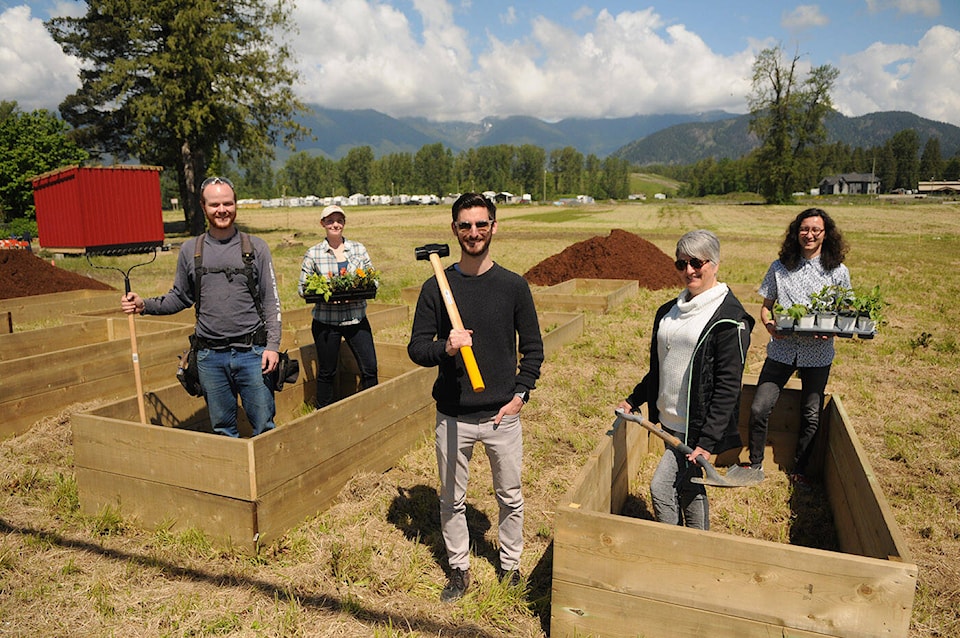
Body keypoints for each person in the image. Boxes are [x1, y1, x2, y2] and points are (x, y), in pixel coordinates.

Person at [408, 192, 544, 603]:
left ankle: (510, 565)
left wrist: (521, 393)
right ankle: (459, 569)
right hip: (453, 415)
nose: (473, 232)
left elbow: (533, 348)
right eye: (465, 225)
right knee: (451, 499)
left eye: (481, 224)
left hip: (503, 414)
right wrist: (446, 347)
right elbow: (417, 348)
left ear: (494, 227)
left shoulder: (513, 286)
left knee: (511, 497)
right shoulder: (436, 287)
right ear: (454, 229)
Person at [121, 176, 282, 437]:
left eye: (228, 203)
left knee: (265, 426)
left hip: (253, 354)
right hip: (210, 357)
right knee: (222, 429)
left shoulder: (256, 248)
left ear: (235, 204)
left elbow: (271, 300)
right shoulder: (190, 250)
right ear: (203, 206)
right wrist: (144, 305)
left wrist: (272, 347)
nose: (222, 210)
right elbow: (180, 297)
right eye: (214, 204)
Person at [617, 229, 753, 530]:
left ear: (714, 264)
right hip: (670, 421)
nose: (689, 270)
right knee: (690, 485)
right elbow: (662, 368)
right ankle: (697, 544)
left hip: (697, 427)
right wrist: (634, 399)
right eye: (681, 264)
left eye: (696, 262)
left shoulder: (729, 318)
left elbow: (729, 385)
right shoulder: (669, 312)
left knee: (661, 488)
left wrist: (706, 441)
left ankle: (674, 544)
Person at [744, 207, 850, 486]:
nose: (809, 235)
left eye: (816, 230)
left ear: (826, 234)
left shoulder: (838, 271)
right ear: (796, 232)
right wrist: (769, 325)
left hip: (818, 354)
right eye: (804, 229)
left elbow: (845, 313)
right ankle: (755, 464)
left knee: (811, 413)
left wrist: (831, 332)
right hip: (781, 350)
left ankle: (800, 470)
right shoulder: (780, 267)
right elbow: (766, 308)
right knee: (759, 407)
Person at [298, 205, 379, 408]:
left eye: (339, 220)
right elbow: (302, 288)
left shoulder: (358, 249)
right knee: (327, 372)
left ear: (344, 223)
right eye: (330, 220)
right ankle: (324, 413)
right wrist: (323, 294)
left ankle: (373, 408)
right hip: (327, 321)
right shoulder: (314, 253)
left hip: (356, 318)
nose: (335, 224)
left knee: (370, 368)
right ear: (323, 224)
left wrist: (359, 288)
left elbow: (373, 281)